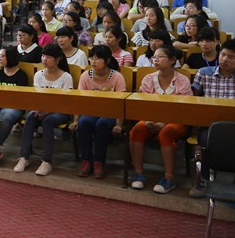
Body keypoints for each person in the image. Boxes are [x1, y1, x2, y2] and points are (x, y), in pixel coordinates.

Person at [129, 46, 192, 194]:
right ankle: (139, 174)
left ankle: (169, 178)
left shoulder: (182, 80)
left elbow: (183, 108)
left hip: (176, 120)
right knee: (137, 130)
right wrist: (149, 119)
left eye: (160, 57)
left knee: (166, 132)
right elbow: (144, 105)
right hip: (151, 119)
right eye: (154, 57)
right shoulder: (148, 79)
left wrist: (163, 122)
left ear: (172, 60)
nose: (155, 60)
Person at [14, 44, 73, 176]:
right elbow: (37, 98)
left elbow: (64, 102)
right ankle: (24, 157)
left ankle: (46, 161)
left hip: (60, 112)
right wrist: (38, 109)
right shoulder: (38, 75)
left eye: (48, 57)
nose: (44, 59)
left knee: (47, 121)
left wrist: (46, 111)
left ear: (58, 59)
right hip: (41, 110)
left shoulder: (66, 77)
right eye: (43, 56)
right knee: (30, 116)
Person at [189, 39, 235, 198]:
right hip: (208, 125)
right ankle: (202, 179)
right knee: (205, 139)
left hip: (233, 125)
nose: (225, 59)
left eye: (231, 57)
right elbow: (194, 101)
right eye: (223, 55)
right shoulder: (203, 73)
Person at [72, 45, 126, 179]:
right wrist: (75, 120)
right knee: (84, 122)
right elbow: (79, 100)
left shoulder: (117, 77)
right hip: (91, 111)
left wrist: (119, 124)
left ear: (107, 61)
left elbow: (121, 103)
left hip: (110, 113)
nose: (93, 61)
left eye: (98, 58)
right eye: (92, 58)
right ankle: (86, 160)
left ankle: (99, 162)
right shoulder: (85, 76)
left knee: (102, 124)